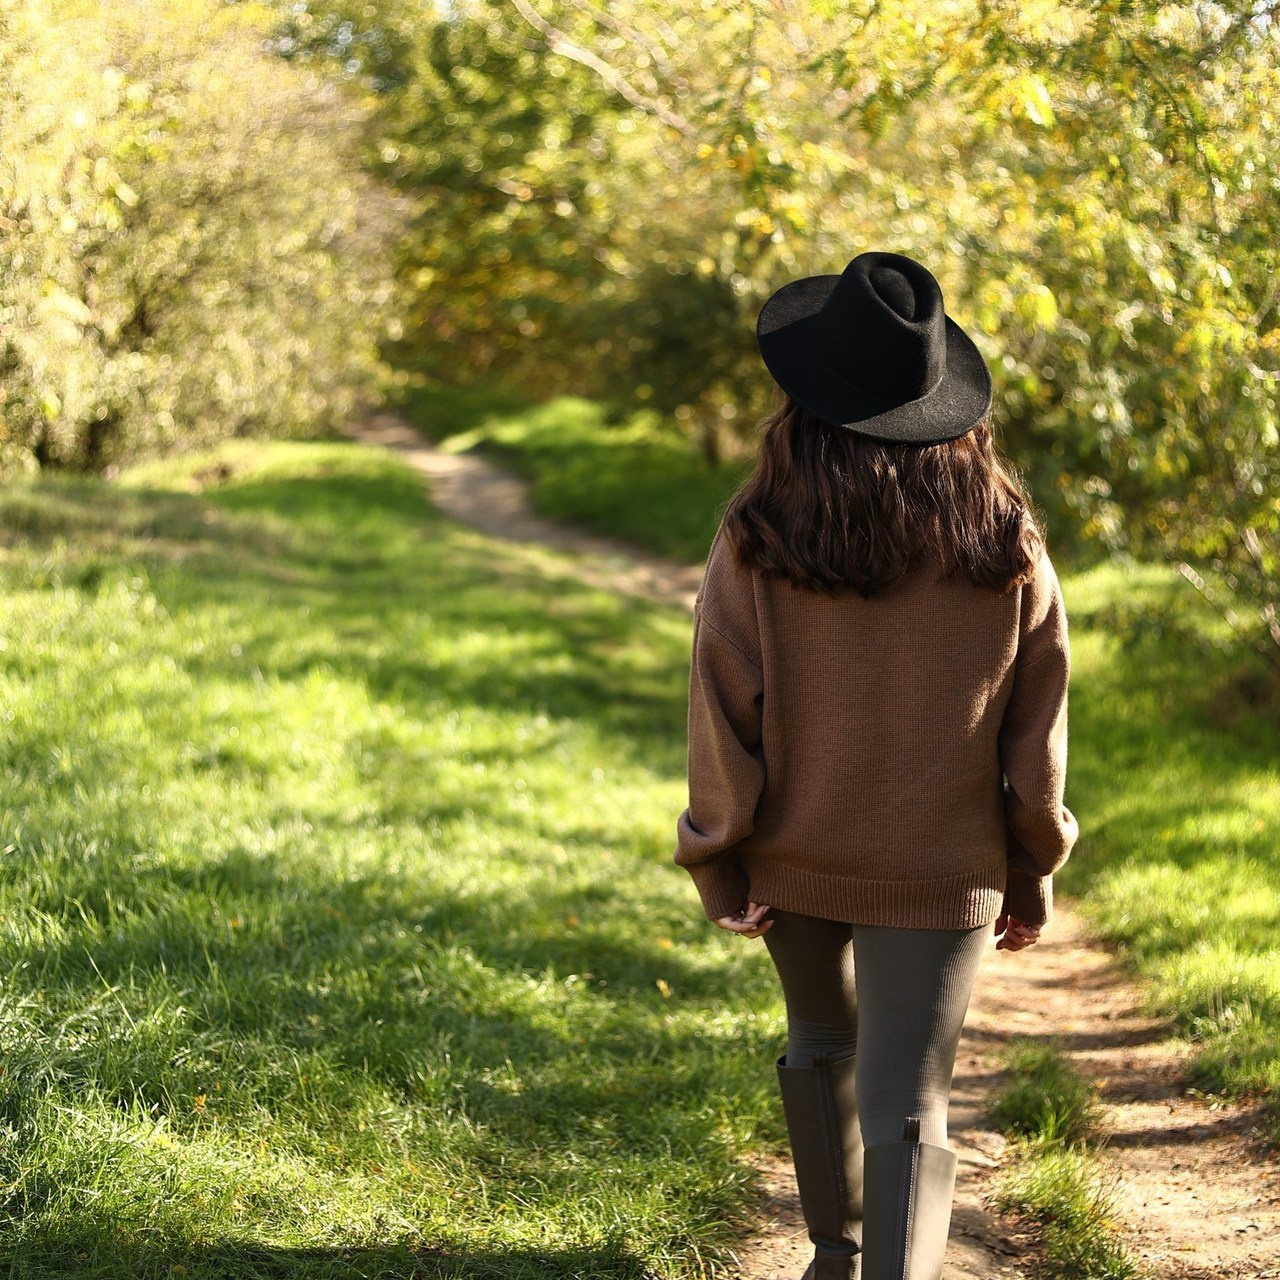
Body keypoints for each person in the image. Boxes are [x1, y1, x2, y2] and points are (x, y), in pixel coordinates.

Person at [674, 251, 1078, 1280]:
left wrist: (717, 856)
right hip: (943, 864)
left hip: (793, 851)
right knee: (911, 1094)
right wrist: (1029, 863)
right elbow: (1036, 733)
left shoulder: (757, 531)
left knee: (818, 1041)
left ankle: (829, 1252)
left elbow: (723, 707)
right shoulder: (1005, 539)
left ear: (804, 400)